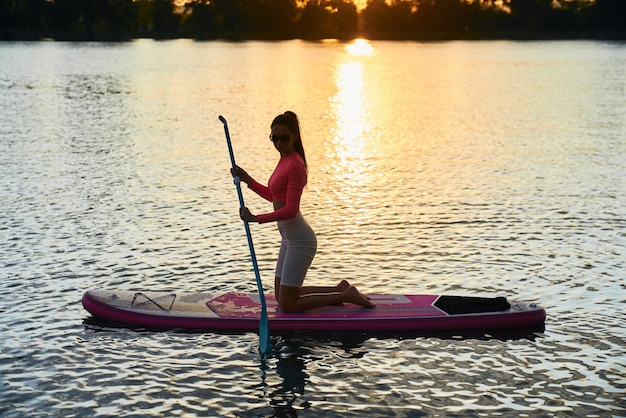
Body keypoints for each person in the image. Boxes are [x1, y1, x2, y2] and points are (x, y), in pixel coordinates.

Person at [231, 111, 375, 313]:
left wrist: (256, 219)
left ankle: (346, 295)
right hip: (288, 238)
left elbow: (290, 210)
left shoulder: (296, 165)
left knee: (288, 305)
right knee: (282, 296)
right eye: (274, 138)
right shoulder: (284, 159)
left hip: (301, 240)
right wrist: (248, 180)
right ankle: (338, 289)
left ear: (295, 136)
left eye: (284, 138)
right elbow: (275, 196)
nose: (279, 143)